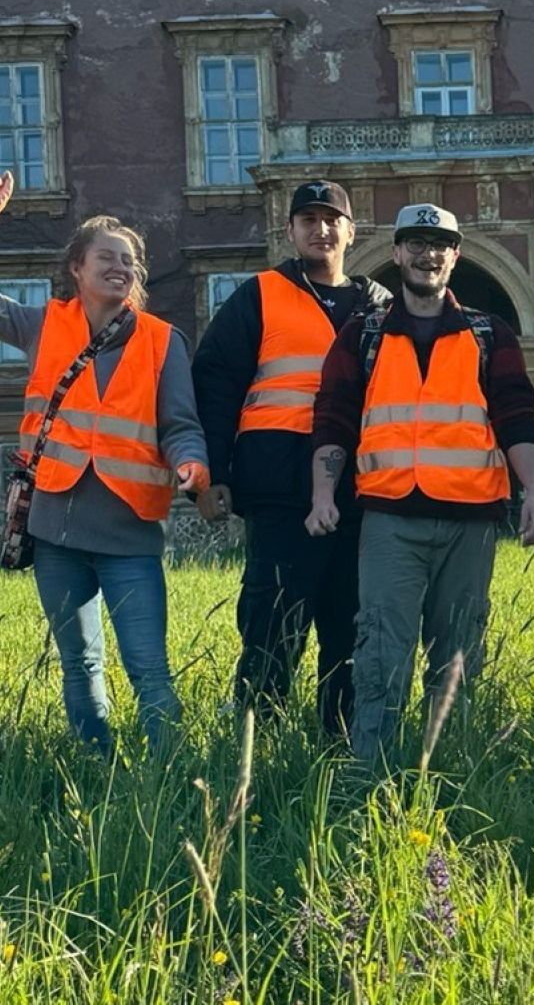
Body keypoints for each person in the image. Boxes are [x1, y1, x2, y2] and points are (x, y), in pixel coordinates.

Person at [307, 204, 534, 764]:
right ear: (396, 254)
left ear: (455, 256)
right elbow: (334, 418)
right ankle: (372, 769)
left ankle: (448, 768)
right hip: (390, 519)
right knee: (380, 650)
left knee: (460, 653)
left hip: (471, 520)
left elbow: (516, 416)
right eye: (415, 242)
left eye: (439, 243)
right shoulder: (362, 334)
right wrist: (323, 494)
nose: (427, 253)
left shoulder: (490, 334)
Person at [0, 192, 210, 755]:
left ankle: (167, 773)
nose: (118, 267)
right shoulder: (43, 326)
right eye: (105, 256)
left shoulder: (162, 341)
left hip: (128, 532)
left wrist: (190, 462)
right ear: (76, 269)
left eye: (128, 260)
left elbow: (180, 423)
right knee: (79, 664)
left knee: (149, 668)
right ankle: (94, 762)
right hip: (54, 530)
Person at [192, 180, 390, 738]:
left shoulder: (378, 304)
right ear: (290, 230)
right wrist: (213, 473)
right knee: (272, 619)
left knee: (350, 624)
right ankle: (260, 739)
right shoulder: (260, 294)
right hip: (277, 485)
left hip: (358, 489)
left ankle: (342, 741)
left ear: (352, 232)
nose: (321, 229)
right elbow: (215, 383)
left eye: (332, 220)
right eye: (309, 219)